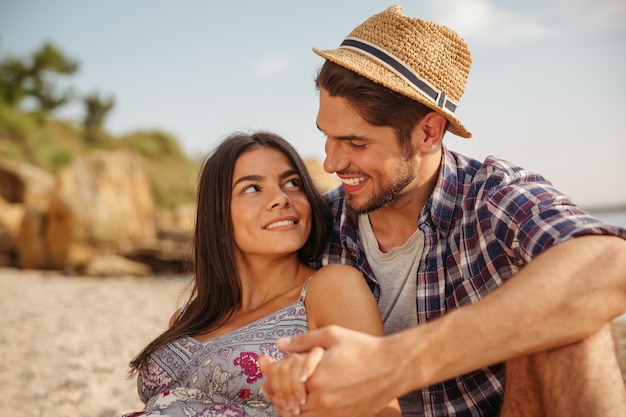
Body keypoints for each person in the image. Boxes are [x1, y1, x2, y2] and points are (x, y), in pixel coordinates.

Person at [258, 5, 626, 417]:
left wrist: (395, 362)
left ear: (428, 132)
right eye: (326, 136)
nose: (330, 163)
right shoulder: (321, 222)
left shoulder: (492, 195)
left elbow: (612, 262)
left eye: (356, 143)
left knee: (572, 320)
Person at [120, 131, 400, 417]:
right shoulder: (188, 317)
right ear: (218, 215)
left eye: (292, 183)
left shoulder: (330, 288)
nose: (281, 198)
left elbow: (383, 410)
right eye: (252, 188)